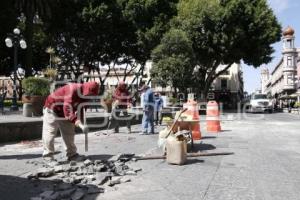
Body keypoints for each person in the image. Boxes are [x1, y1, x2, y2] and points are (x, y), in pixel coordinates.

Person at [42, 81, 100, 162]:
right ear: (85, 89)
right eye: (89, 94)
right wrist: (80, 125)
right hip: (52, 108)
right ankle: (48, 157)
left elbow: (81, 110)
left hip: (64, 112)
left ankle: (72, 155)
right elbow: (68, 110)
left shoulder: (87, 97)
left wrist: (82, 124)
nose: (90, 96)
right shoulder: (72, 89)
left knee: (69, 133)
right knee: (50, 133)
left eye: (92, 96)